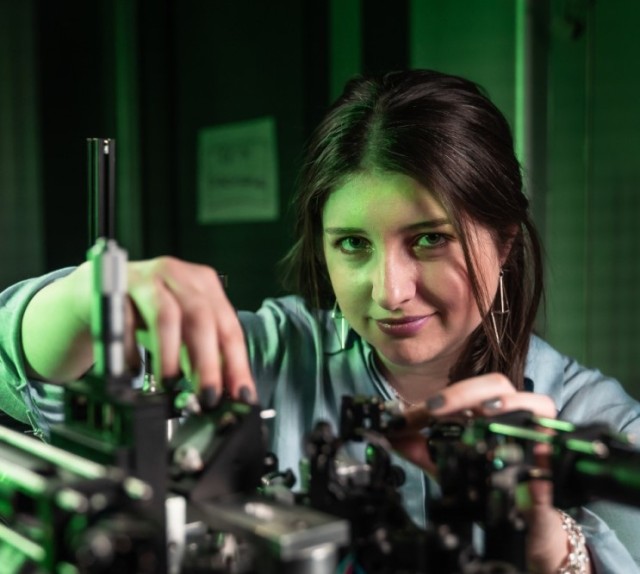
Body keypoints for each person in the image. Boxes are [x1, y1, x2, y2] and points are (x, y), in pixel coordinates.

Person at [1, 69, 639, 572]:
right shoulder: (273, 355)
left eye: (428, 240)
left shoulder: (603, 428)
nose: (389, 292)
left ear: (503, 242)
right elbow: (25, 373)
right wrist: (92, 298)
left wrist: (552, 548)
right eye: (353, 244)